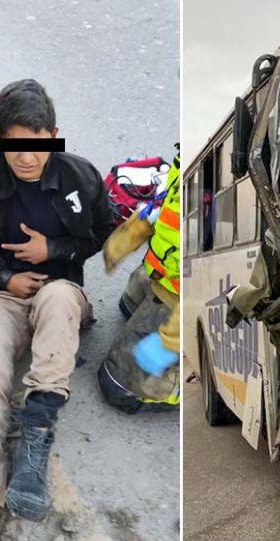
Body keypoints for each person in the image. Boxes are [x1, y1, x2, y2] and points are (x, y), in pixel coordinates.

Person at [0, 80, 114, 541]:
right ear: (1, 138)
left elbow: (104, 231)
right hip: (2, 293)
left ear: (54, 136)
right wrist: (5, 276)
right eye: (15, 145)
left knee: (61, 298)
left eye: (37, 145)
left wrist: (54, 250)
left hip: (59, 290)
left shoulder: (79, 176)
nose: (26, 158)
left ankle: (34, 441)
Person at [97, 146, 182, 413]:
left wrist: (172, 340)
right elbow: (169, 203)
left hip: (180, 296)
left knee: (116, 384)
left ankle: (175, 389)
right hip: (161, 273)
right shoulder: (191, 158)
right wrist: (138, 226)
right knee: (129, 305)